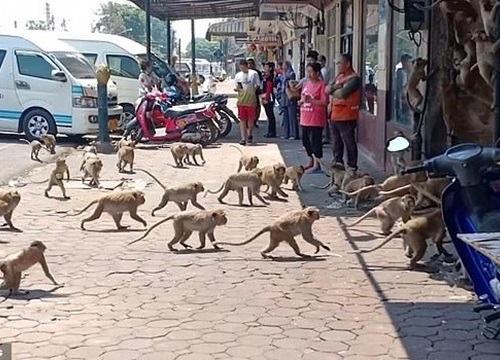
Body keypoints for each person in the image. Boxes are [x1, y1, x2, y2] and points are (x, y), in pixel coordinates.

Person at [327, 53, 362, 171]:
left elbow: (342, 93)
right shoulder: (338, 77)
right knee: (336, 141)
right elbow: (327, 89)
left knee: (349, 141)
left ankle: (352, 166)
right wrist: (334, 89)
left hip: (347, 115)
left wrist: (334, 90)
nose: (337, 65)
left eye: (339, 63)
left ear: (347, 64)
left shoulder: (354, 78)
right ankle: (338, 163)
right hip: (335, 114)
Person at [299, 62, 329, 173]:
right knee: (305, 141)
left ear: (317, 73)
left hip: (316, 119)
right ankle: (310, 161)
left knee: (315, 142)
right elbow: (303, 98)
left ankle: (318, 164)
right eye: (308, 72)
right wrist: (301, 102)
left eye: (311, 72)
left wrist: (311, 101)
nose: (309, 74)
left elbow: (324, 102)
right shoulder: (307, 84)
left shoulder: (322, 85)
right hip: (305, 117)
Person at [234, 59, 260, 145]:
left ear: (247, 66)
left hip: (251, 100)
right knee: (242, 119)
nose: (242, 69)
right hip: (241, 100)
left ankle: (250, 134)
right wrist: (238, 89)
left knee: (250, 119)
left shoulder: (254, 74)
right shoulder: (238, 75)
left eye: (243, 67)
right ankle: (243, 138)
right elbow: (236, 87)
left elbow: (258, 85)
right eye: (240, 67)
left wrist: (253, 89)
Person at [280, 61, 299, 140]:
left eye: (285, 66)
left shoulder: (291, 74)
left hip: (290, 96)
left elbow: (290, 83)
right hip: (284, 96)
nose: (283, 68)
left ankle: (294, 134)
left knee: (292, 116)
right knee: (286, 116)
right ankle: (286, 134)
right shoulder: (282, 75)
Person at [395, 54, 413, 124]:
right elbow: (400, 90)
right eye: (408, 62)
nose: (410, 64)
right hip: (404, 102)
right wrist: (399, 104)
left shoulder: (407, 73)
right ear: (404, 63)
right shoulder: (402, 74)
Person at [262, 62, 277, 138]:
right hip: (265, 96)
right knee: (269, 116)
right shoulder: (266, 76)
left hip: (268, 98)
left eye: (266, 66)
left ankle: (272, 132)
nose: (264, 68)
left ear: (270, 68)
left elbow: (269, 88)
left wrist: (266, 98)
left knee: (270, 115)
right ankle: (270, 131)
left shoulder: (269, 77)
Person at [247, 58, 262, 128]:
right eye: (248, 63)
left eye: (251, 63)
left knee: (256, 107)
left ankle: (255, 120)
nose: (249, 65)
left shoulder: (257, 73)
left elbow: (259, 83)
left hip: (255, 92)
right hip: (246, 93)